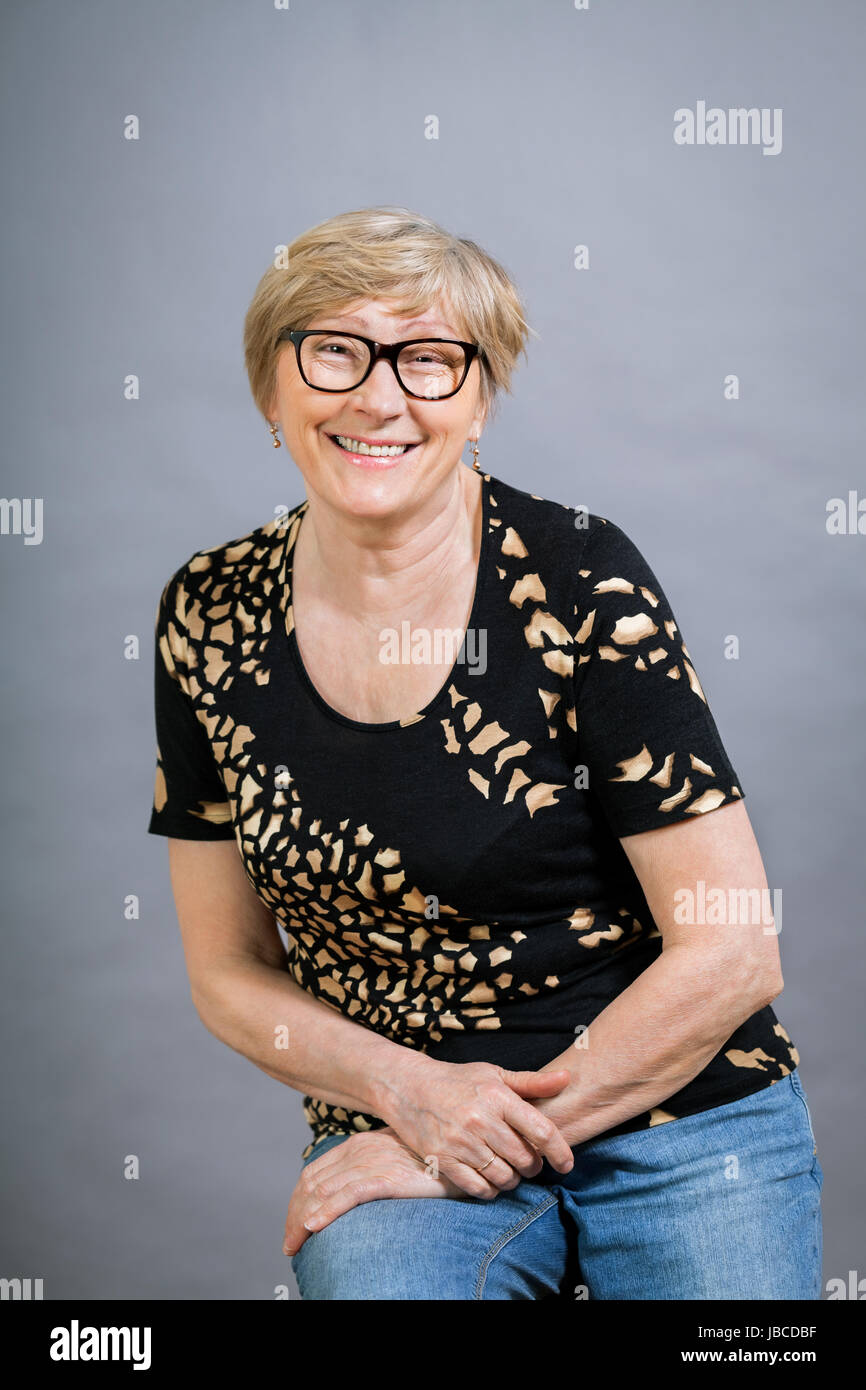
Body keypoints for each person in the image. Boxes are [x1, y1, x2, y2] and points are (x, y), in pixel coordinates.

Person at [147, 205, 823, 1300]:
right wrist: (411, 1099)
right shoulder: (208, 610)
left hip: (679, 1113)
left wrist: (467, 1125)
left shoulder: (576, 578)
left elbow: (734, 952)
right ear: (271, 389)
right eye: (333, 349)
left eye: (426, 359)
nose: (379, 396)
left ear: (477, 400)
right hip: (401, 1116)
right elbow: (226, 971)